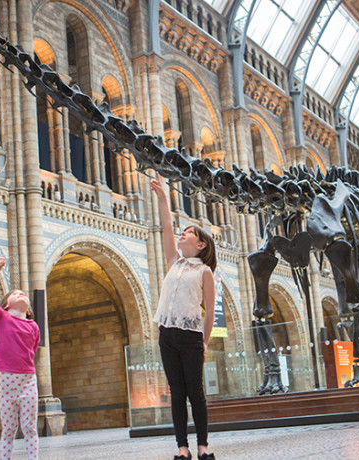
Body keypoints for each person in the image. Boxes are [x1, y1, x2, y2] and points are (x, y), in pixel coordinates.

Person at [151, 172, 218, 460]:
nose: (182, 233)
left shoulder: (204, 272)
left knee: (195, 391)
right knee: (176, 391)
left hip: (191, 336)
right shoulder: (173, 262)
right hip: (166, 334)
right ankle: (182, 447)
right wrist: (162, 197)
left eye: (189, 232)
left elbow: (210, 311)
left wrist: (204, 342)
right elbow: (166, 227)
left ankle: (202, 446)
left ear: (201, 244)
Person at [0, 256, 40, 460]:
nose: (21, 294)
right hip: (7, 381)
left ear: (29, 309)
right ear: (6, 306)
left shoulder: (34, 326)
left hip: (28, 381)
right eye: (16, 293)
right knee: (8, 429)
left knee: (30, 427)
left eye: (24, 294)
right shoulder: (1, 317)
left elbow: (32, 349)